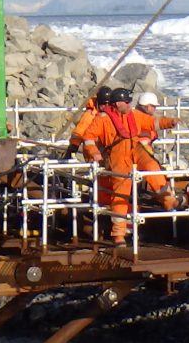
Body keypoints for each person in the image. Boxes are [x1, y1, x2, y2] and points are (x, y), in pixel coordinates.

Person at [70, 87, 180, 243]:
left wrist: (170, 122)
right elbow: (88, 137)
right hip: (117, 155)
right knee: (121, 191)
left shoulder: (134, 115)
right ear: (117, 104)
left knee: (152, 168)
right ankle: (118, 234)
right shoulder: (102, 119)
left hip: (136, 149)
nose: (129, 105)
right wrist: (94, 152)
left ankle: (169, 201)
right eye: (127, 102)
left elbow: (152, 122)